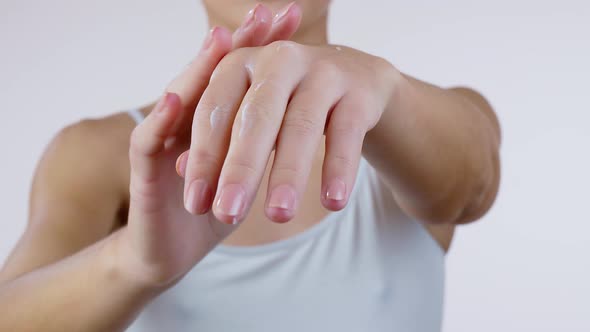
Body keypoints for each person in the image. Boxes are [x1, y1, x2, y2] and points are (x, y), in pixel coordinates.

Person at [0, 1, 501, 331]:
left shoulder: (414, 128)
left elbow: (471, 186)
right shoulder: (101, 153)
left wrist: (384, 88)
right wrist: (134, 263)